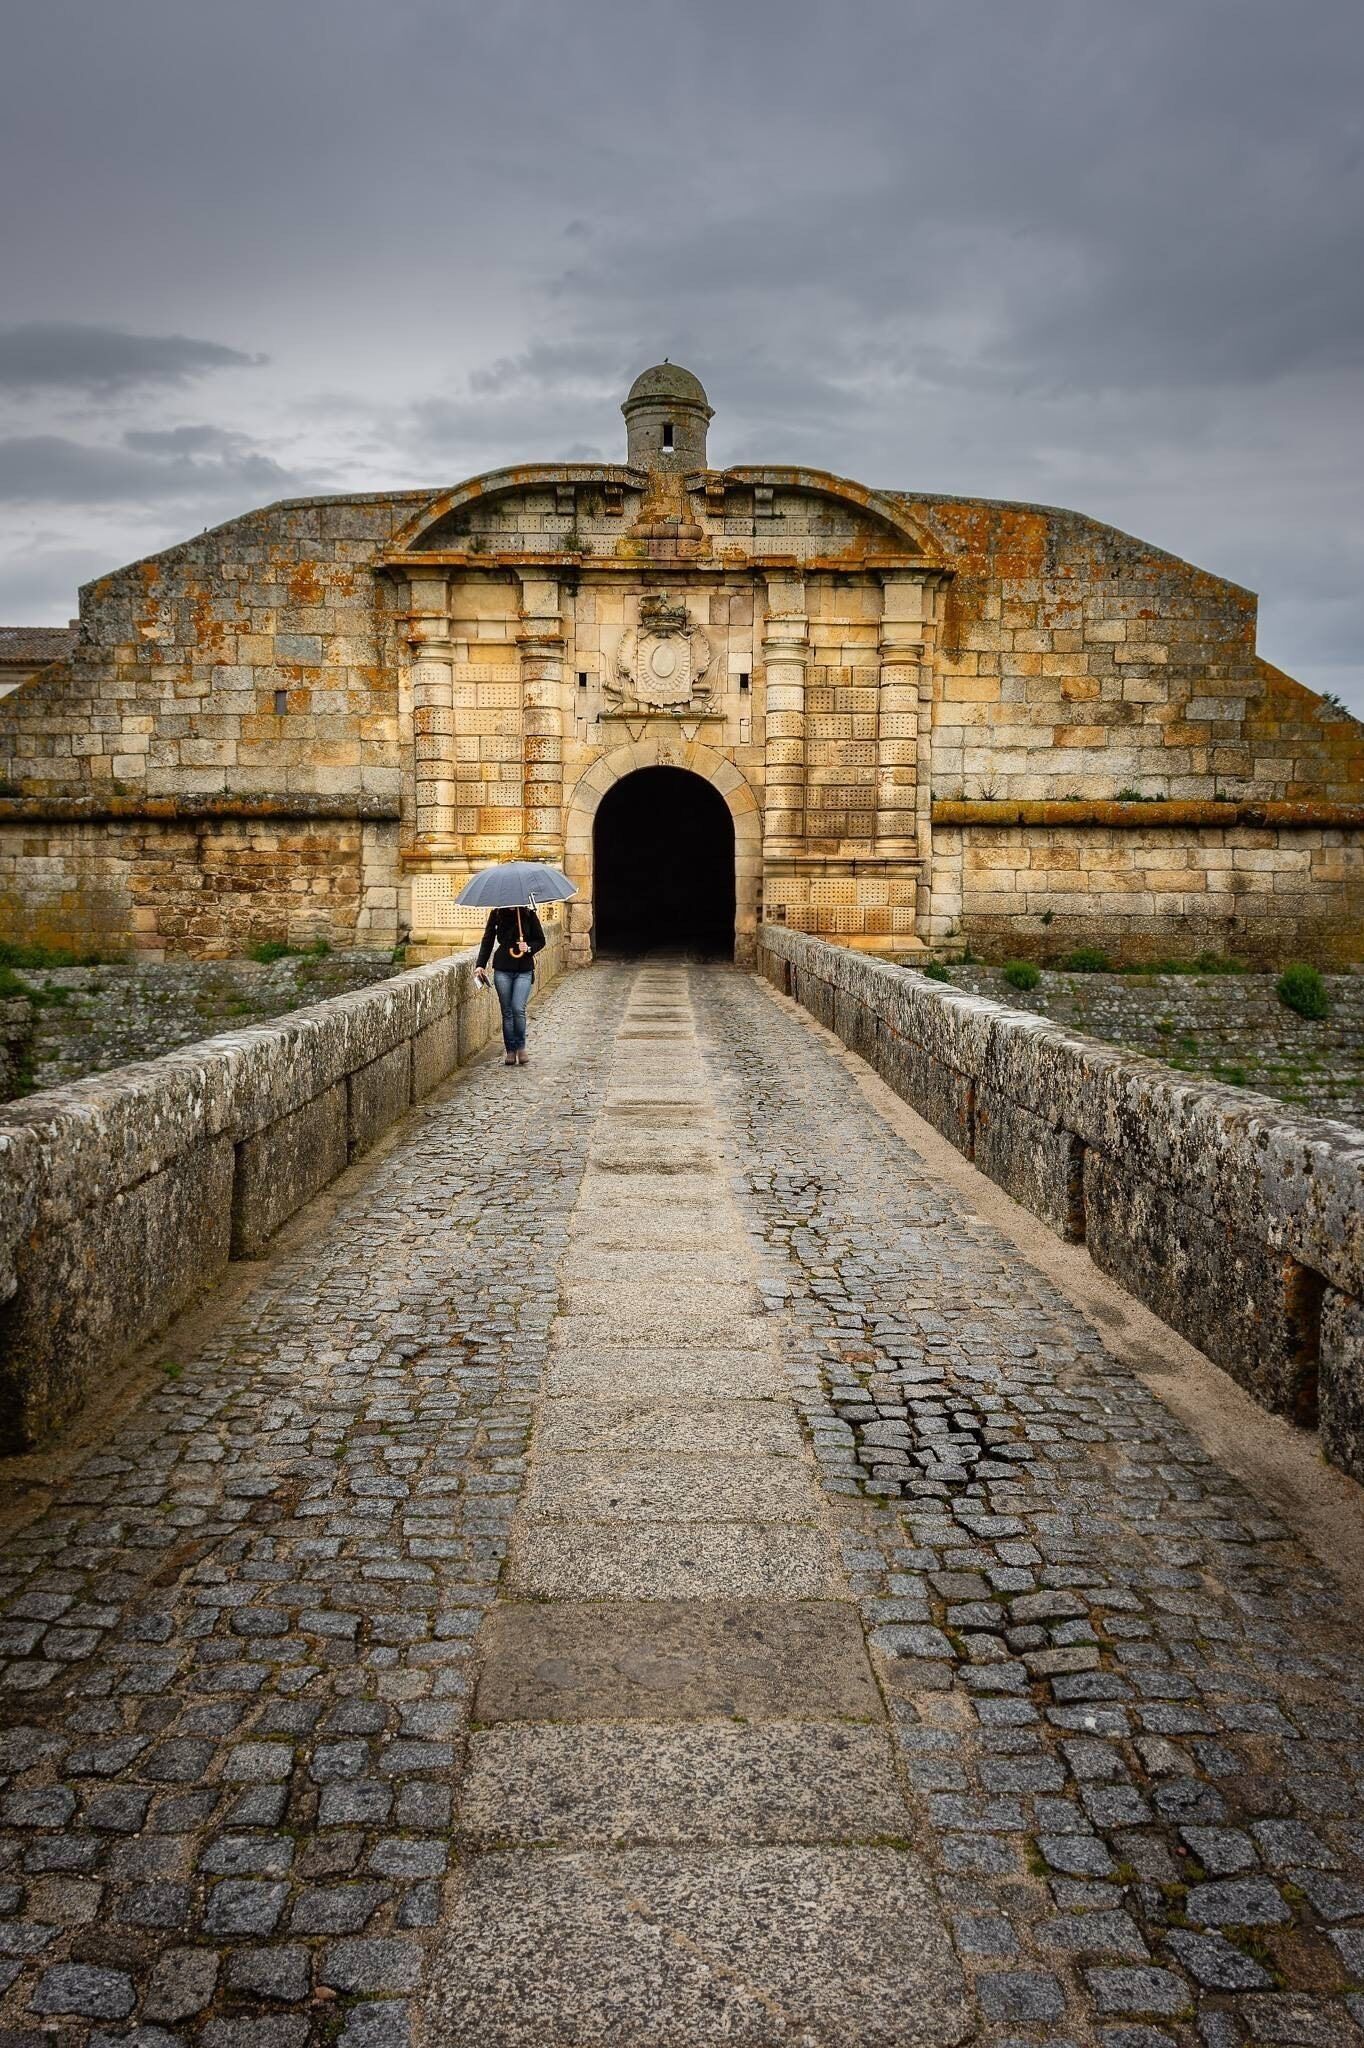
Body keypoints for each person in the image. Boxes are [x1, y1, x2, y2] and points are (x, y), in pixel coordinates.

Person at [474, 904, 547, 1066]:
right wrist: (480, 964)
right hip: (502, 968)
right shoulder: (497, 914)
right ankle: (510, 1051)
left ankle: (521, 1047)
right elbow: (488, 940)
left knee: (518, 1008)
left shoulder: (528, 914)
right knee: (507, 1011)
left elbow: (541, 940)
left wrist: (528, 947)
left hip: (524, 969)